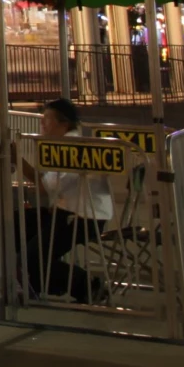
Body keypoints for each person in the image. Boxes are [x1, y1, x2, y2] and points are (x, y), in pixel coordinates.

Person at [18, 98, 111, 302]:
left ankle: (86, 284)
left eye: (47, 120)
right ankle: (31, 282)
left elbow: (43, 188)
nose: (42, 125)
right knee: (17, 224)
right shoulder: (64, 143)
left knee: (34, 256)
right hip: (66, 212)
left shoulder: (71, 146)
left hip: (83, 218)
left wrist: (16, 159)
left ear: (64, 123)